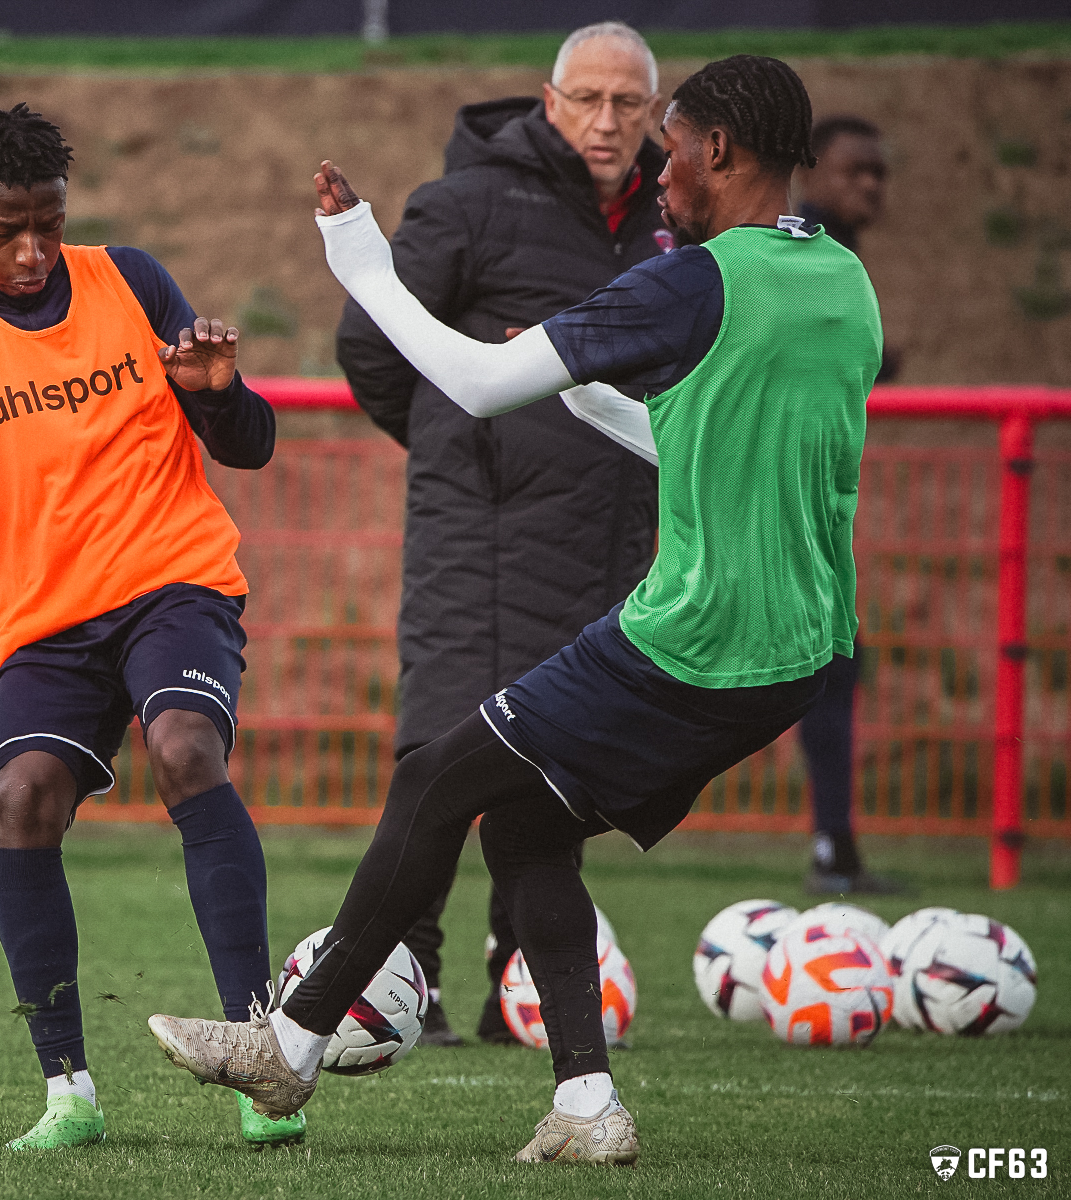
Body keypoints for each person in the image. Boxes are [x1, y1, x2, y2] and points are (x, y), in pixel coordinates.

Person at [149, 55, 881, 1167]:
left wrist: (362, 265)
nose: (656, 164)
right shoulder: (838, 278)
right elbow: (719, 454)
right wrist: (591, 396)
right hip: (801, 647)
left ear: (719, 153)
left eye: (668, 142)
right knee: (526, 822)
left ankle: (287, 1049)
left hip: (694, 635)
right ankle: (585, 1108)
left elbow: (478, 382)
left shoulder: (695, 279)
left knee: (430, 777)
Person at [0, 104, 304, 1151]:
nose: (32, 249)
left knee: (185, 748)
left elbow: (249, 442)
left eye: (47, 221)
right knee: (22, 794)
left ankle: (261, 1056)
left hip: (172, 584)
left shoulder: (130, 280)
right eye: (4, 229)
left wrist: (218, 399)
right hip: (42, 624)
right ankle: (68, 1090)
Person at [334, 20, 666, 1047]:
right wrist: (459, 449)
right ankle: (406, 979)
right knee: (439, 753)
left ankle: (516, 988)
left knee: (551, 770)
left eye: (629, 104)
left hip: (608, 537)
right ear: (547, 97)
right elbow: (371, 342)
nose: (607, 122)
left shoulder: (673, 220)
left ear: (655, 112)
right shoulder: (468, 201)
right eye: (588, 99)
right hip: (475, 532)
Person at [792, 114, 903, 894]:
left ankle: (837, 847)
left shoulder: (831, 247)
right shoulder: (806, 244)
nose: (870, 186)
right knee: (824, 665)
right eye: (854, 169)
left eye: (880, 173)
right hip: (774, 497)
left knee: (833, 663)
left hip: (802, 498)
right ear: (812, 171)